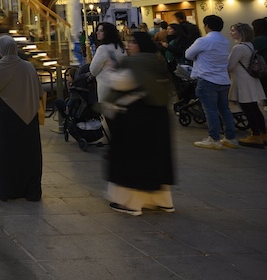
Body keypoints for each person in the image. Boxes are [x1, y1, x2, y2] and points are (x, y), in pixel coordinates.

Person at [98, 32, 174, 215]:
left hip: (135, 117)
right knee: (156, 158)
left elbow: (121, 84)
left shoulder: (133, 62)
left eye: (133, 42)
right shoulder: (158, 61)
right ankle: (163, 201)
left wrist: (109, 71)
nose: (128, 45)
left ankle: (132, 203)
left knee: (132, 159)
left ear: (141, 45)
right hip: (158, 115)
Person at [0, 34, 42, 202]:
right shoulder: (28, 67)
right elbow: (38, 92)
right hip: (27, 116)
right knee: (29, 154)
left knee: (4, 154)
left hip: (3, 117)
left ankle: (5, 191)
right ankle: (31, 191)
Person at [186, 15, 238, 149]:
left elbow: (188, 54)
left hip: (207, 79)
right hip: (223, 80)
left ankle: (214, 138)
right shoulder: (224, 41)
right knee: (225, 109)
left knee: (211, 110)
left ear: (207, 26)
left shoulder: (203, 41)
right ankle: (231, 138)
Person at [228, 23, 267, 148]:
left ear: (241, 32)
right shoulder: (249, 45)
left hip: (242, 81)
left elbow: (230, 66)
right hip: (251, 80)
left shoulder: (238, 48)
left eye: (233, 31)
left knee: (248, 108)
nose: (231, 33)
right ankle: (263, 133)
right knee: (254, 108)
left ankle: (255, 135)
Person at [89, 22, 126, 102]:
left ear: (108, 33)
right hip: (121, 85)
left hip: (106, 86)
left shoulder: (103, 49)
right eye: (97, 30)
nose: (97, 33)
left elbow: (93, 70)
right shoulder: (121, 47)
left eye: (101, 31)